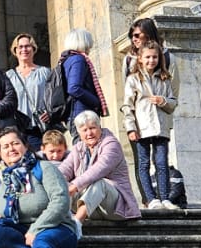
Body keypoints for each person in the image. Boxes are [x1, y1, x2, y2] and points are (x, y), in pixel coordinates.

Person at [123, 39, 180, 210]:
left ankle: (165, 197)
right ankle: (150, 197)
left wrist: (163, 101)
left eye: (155, 57)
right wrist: (131, 128)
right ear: (140, 58)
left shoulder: (165, 78)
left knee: (162, 162)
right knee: (144, 163)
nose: (151, 60)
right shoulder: (133, 79)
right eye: (147, 57)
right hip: (142, 128)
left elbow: (173, 103)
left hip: (161, 128)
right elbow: (128, 106)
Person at [58, 111, 140, 223]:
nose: (89, 133)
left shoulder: (111, 144)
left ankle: (76, 223)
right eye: (84, 130)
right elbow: (64, 170)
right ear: (79, 133)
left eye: (92, 128)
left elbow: (98, 170)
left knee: (100, 183)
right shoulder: (78, 148)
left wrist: (75, 186)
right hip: (92, 209)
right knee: (60, 183)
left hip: (116, 208)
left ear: (99, 127)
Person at [7, 33, 62, 148]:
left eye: (27, 46)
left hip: (39, 127)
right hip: (18, 128)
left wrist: (51, 112)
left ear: (34, 49)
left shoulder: (45, 72)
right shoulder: (9, 76)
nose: (24, 49)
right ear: (15, 50)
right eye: (20, 47)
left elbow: (56, 97)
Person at [56, 28, 106, 130]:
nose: (90, 48)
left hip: (74, 112)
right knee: (84, 144)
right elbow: (74, 88)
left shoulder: (66, 60)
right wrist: (96, 101)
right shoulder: (78, 59)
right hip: (81, 113)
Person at [122, 17, 172, 83]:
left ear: (148, 34)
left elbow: (173, 89)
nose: (133, 39)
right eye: (132, 36)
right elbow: (127, 88)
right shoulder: (129, 59)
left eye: (137, 35)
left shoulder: (168, 57)